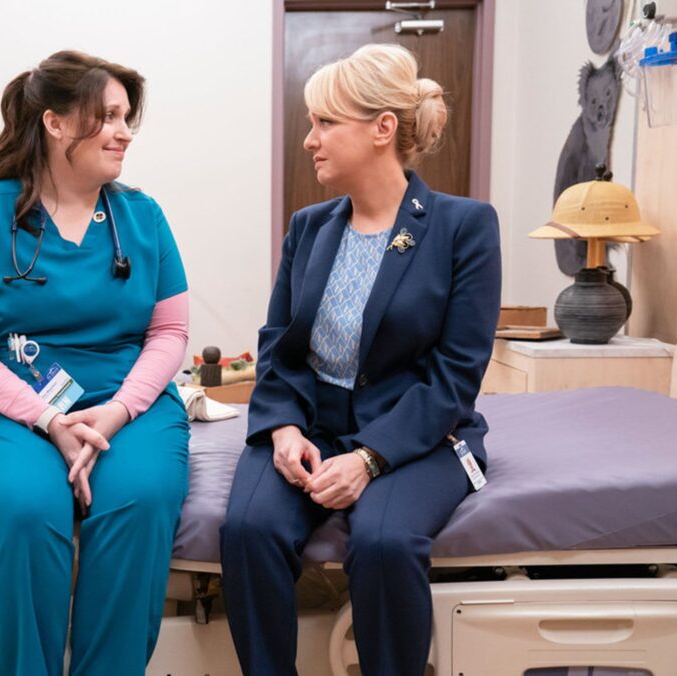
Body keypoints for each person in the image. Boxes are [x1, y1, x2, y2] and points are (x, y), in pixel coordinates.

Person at [219, 43, 502, 676]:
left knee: (382, 541)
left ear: (382, 130)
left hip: (417, 435)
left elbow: (456, 375)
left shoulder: (464, 227)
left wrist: (370, 458)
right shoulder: (310, 227)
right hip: (311, 424)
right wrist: (284, 429)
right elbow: (279, 346)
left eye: (324, 123)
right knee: (247, 530)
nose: (309, 140)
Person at [0, 50, 190, 676]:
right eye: (106, 116)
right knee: (24, 507)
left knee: (139, 498)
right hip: (11, 409)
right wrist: (48, 419)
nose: (124, 131)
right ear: (54, 123)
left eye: (127, 117)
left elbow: (170, 331)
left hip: (128, 406)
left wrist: (120, 411)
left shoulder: (143, 216)